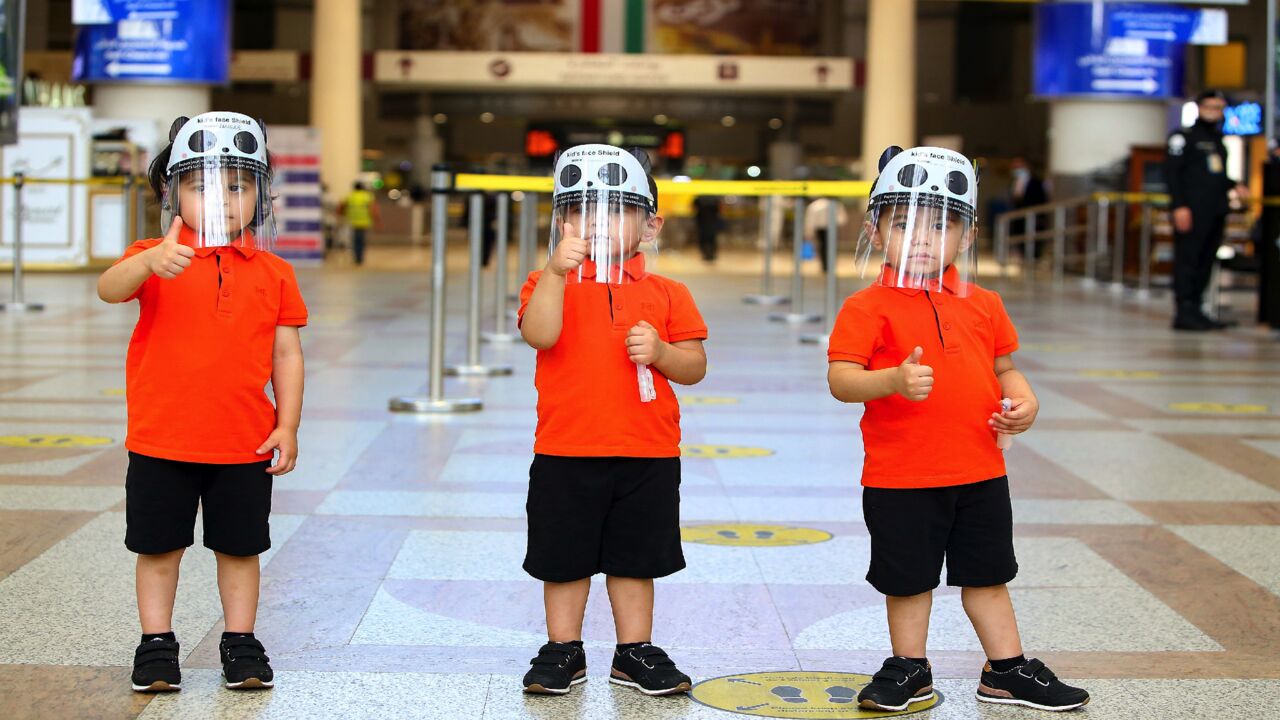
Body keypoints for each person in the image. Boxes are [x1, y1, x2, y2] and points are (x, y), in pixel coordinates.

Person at [829, 146, 1090, 713]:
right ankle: (908, 667)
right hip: (901, 477)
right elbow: (842, 380)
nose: (923, 237)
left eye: (941, 224)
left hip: (979, 470)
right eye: (905, 223)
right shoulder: (866, 307)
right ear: (876, 231)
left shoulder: (985, 303)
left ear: (966, 238)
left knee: (988, 575)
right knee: (908, 581)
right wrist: (892, 379)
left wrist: (1024, 400)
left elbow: (1004, 368)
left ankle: (1007, 669)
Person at [97, 112, 308, 694]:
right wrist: (146, 262)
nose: (222, 198)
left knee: (240, 549)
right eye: (201, 185)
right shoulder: (155, 255)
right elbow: (108, 289)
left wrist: (286, 425)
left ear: (261, 196)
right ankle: (156, 644)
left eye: (238, 185)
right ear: (172, 193)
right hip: (162, 438)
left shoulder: (275, 272)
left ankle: (240, 642)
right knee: (159, 546)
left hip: (243, 442)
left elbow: (285, 355)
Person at [517, 144, 708, 697]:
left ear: (651, 224)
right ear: (560, 221)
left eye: (617, 209)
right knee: (564, 558)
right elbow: (540, 334)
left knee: (635, 559)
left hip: (647, 452)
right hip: (565, 449)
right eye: (581, 209)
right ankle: (562, 648)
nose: (597, 222)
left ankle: (635, 650)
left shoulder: (670, 293)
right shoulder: (544, 282)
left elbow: (695, 367)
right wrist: (555, 271)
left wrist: (664, 353)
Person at [1165, 90, 1250, 330]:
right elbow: (1173, 174)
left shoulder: (1217, 140)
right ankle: (1184, 310)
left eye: (1219, 108)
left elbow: (1215, 176)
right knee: (1188, 259)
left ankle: (1197, 308)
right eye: (1210, 107)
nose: (1215, 112)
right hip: (1191, 210)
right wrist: (1179, 206)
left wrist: (1234, 184)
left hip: (1214, 210)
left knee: (1206, 260)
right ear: (1199, 108)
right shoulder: (1184, 137)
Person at [338, 180, 380, 265]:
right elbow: (373, 210)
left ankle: (357, 257)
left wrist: (342, 215)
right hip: (364, 222)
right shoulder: (368, 196)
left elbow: (341, 207)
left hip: (352, 221)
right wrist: (377, 221)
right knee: (361, 240)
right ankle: (360, 257)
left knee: (355, 240)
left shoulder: (349, 196)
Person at [805, 196, 849, 273]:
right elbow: (842, 219)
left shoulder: (815, 205)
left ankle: (824, 266)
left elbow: (810, 219)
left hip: (820, 228)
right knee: (831, 246)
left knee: (822, 247)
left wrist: (809, 230)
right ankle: (830, 265)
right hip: (831, 227)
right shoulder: (836, 204)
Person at [693, 195, 723, 262]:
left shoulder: (699, 198)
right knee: (711, 239)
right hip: (711, 223)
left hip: (702, 223)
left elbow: (694, 207)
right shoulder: (714, 198)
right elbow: (719, 208)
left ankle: (707, 254)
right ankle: (710, 255)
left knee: (704, 239)